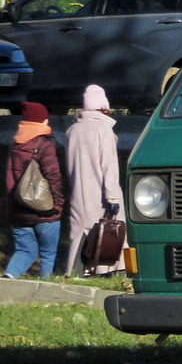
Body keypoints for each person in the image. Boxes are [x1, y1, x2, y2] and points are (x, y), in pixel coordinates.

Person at [64, 84, 126, 276]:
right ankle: (112, 272)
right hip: (101, 193)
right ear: (104, 106)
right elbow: (109, 167)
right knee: (111, 234)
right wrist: (113, 197)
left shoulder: (72, 130)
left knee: (80, 235)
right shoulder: (103, 130)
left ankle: (74, 273)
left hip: (78, 192)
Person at [3, 102, 64, 279]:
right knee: (48, 254)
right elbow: (53, 177)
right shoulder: (44, 145)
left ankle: (8, 278)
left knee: (24, 250)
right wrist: (58, 205)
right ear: (42, 121)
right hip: (44, 209)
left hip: (18, 209)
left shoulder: (15, 144)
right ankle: (45, 287)